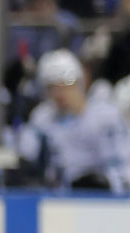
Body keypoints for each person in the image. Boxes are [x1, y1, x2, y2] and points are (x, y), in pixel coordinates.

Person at [17, 50, 130, 193]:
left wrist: (107, 182)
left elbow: (123, 164)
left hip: (103, 197)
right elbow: (26, 156)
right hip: (57, 196)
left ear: (81, 82)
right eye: (52, 86)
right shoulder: (42, 119)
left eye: (67, 83)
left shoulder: (105, 117)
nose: (60, 92)